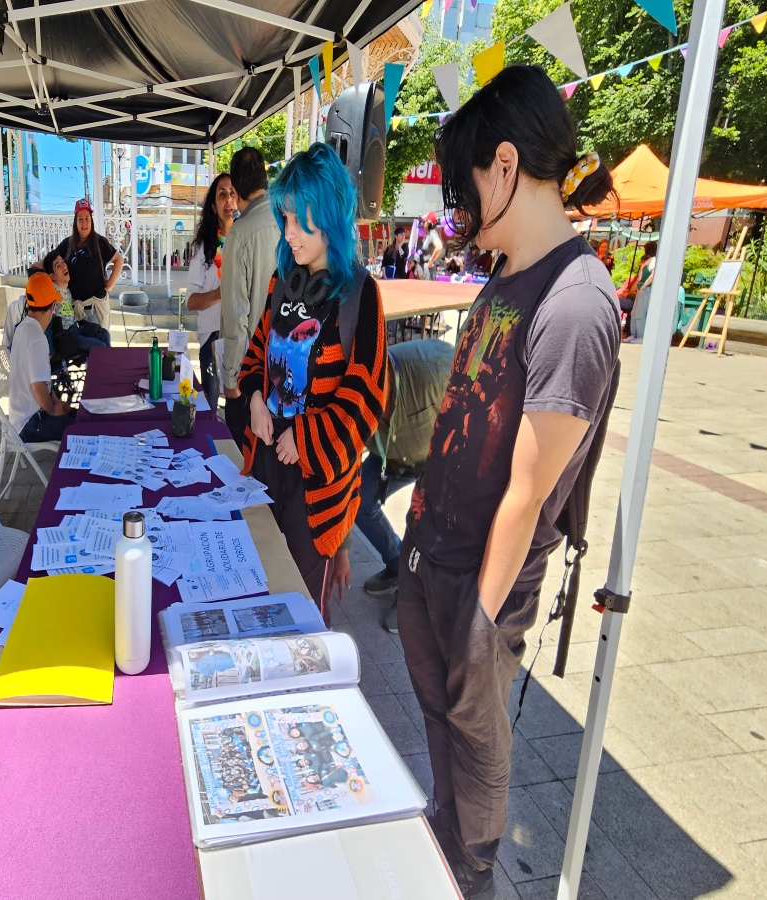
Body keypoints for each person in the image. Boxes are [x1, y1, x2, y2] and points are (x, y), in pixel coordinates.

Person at [397, 66, 620, 900]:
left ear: (503, 167)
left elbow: (529, 490)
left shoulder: (576, 300)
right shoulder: (503, 276)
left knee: (474, 725)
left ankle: (474, 871)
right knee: (437, 719)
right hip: (434, 548)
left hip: (483, 573)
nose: (458, 211)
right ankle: (443, 837)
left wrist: (482, 623)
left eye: (462, 190)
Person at [237, 142, 391, 610]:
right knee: (258, 592)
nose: (289, 233)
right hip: (265, 471)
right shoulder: (282, 281)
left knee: (301, 612)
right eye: (285, 219)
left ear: (328, 215)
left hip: (315, 491)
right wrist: (255, 401)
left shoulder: (361, 295)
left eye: (299, 220)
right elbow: (256, 356)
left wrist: (303, 438)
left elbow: (366, 398)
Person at [356, 338, 455, 633]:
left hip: (439, 461)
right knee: (359, 501)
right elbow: (343, 466)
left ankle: (415, 596)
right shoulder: (354, 397)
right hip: (390, 457)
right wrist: (340, 551)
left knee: (421, 520)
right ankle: (398, 565)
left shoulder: (435, 369)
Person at [221, 147, 281, 448]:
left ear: (237, 189)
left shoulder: (240, 234)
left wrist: (231, 377)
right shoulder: (289, 220)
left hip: (256, 371)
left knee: (245, 464)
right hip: (293, 364)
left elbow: (235, 315)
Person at [186, 172, 238, 409]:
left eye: (232, 193)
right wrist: (220, 294)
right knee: (210, 407)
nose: (228, 199)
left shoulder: (245, 241)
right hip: (212, 338)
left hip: (241, 336)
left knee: (239, 406)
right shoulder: (203, 247)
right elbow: (191, 301)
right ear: (214, 206)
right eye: (222, 194)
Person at [9, 272, 77, 443]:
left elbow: (42, 381)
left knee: (78, 417)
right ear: (53, 306)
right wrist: (54, 411)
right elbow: (38, 386)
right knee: (80, 429)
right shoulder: (38, 338)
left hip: (21, 419)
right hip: (30, 423)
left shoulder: (23, 328)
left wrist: (56, 401)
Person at [53, 199, 124, 331]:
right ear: (75, 222)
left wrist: (109, 285)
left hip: (94, 309)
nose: (84, 223)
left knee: (98, 348)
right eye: (80, 219)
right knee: (79, 348)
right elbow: (51, 258)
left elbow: (119, 260)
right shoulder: (67, 244)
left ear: (91, 220)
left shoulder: (99, 242)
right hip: (74, 309)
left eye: (87, 218)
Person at [628, 240, 657, 341]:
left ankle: (640, 336)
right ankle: (634, 334)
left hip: (646, 289)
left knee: (640, 313)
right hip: (640, 288)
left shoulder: (654, 260)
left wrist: (644, 285)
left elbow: (653, 275)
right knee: (634, 312)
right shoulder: (647, 261)